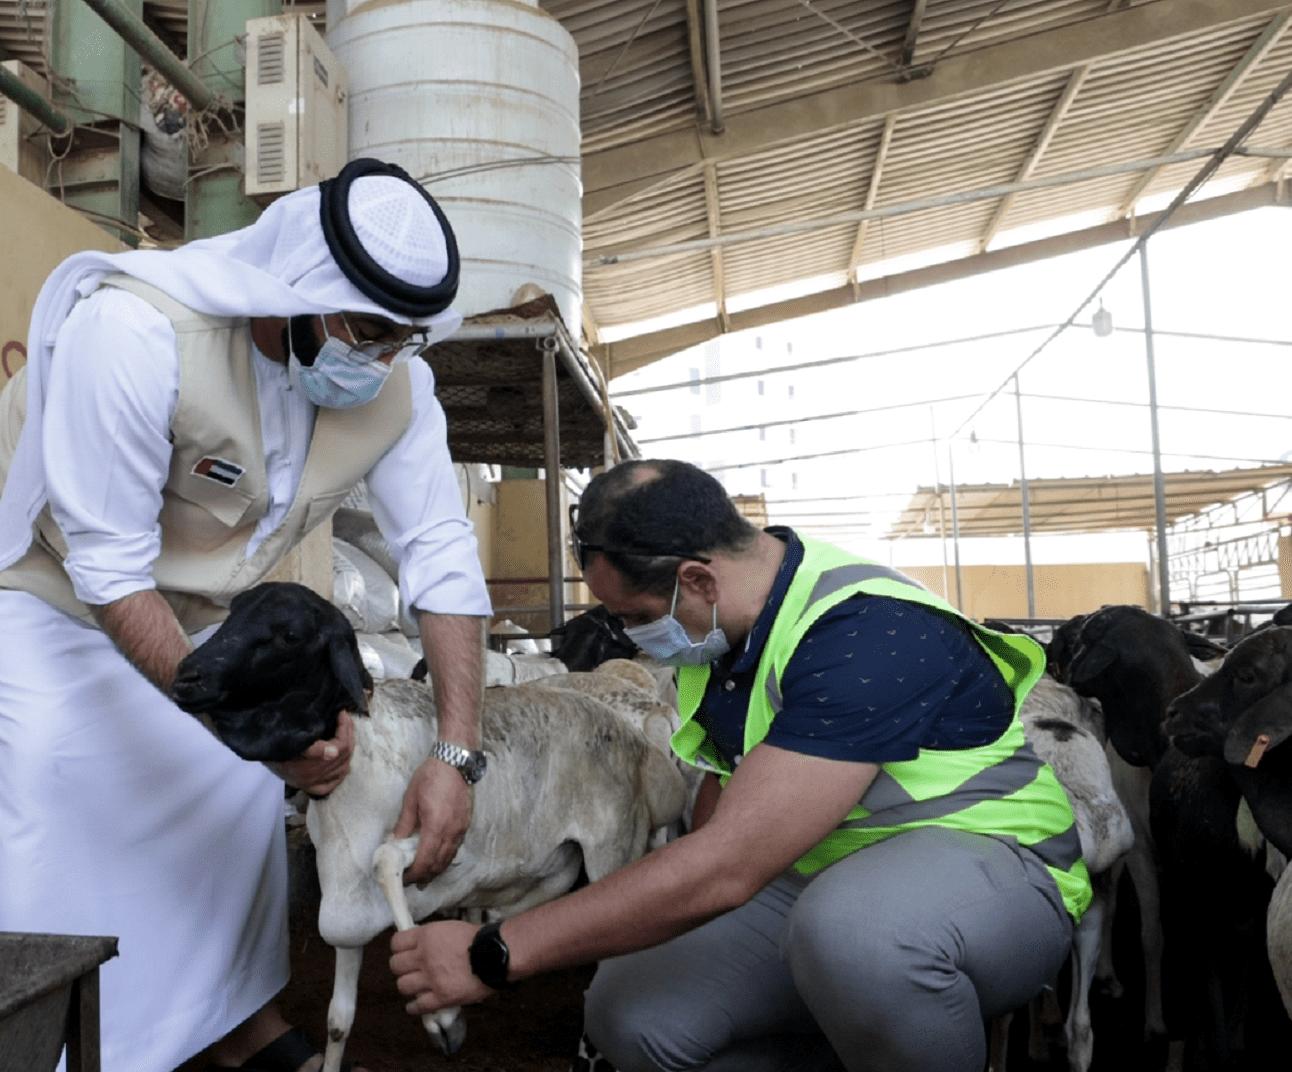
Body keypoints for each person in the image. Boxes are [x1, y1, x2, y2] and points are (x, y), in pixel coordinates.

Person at [0, 158, 492, 1072]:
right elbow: (108, 570)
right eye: (363, 330)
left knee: (225, 793)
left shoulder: (397, 391)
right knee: (49, 784)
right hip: (34, 594)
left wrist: (456, 752)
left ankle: (229, 1022)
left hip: (185, 606)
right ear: (293, 291)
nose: (379, 358)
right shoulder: (136, 333)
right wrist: (243, 724)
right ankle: (68, 1048)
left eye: (404, 339)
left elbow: (438, 551)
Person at [387, 458, 1089, 1072]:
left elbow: (727, 866)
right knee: (632, 1009)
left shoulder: (866, 633)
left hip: (996, 872)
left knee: (858, 936)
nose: (631, 637)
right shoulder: (729, 635)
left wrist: (493, 952)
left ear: (697, 579)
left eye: (633, 615)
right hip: (818, 877)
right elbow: (719, 815)